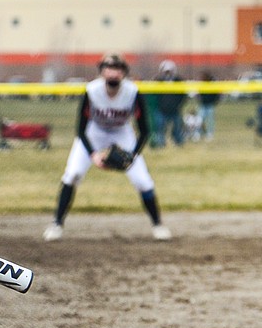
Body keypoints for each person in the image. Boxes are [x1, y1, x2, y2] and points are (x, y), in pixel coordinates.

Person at [43, 53, 171, 242]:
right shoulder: (93, 90)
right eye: (109, 68)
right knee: (72, 174)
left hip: (122, 133)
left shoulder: (132, 92)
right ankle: (57, 224)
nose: (113, 73)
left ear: (123, 73)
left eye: (117, 69)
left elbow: (144, 131)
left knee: (143, 181)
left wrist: (132, 155)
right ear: (102, 71)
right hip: (94, 133)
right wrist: (93, 154)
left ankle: (158, 224)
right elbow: (80, 128)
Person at [148, 59, 185, 147]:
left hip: (175, 109)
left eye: (169, 71)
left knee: (177, 128)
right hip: (161, 109)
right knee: (159, 128)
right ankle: (161, 143)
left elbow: (183, 95)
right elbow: (153, 95)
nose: (168, 73)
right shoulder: (158, 81)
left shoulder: (178, 81)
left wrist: (178, 104)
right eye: (166, 71)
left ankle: (178, 142)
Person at [197, 70, 220, 142]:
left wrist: (214, 102)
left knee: (210, 120)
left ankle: (210, 134)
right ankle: (198, 133)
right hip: (202, 105)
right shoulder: (201, 84)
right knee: (199, 120)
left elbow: (217, 94)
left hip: (210, 105)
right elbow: (199, 94)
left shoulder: (212, 84)